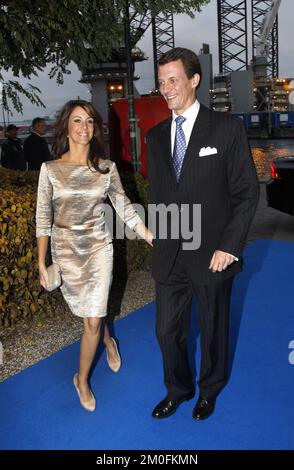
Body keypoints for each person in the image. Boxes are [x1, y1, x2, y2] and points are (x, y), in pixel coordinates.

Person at [146, 48, 259, 420]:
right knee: (166, 331)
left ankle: (209, 391)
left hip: (213, 252)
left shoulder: (227, 128)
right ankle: (177, 389)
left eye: (173, 79)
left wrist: (230, 246)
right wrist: (155, 233)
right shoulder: (156, 136)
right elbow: (160, 193)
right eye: (161, 82)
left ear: (194, 80)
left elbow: (246, 192)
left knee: (212, 330)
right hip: (170, 253)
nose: (166, 88)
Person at [36, 100, 153, 412]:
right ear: (66, 127)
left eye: (89, 121)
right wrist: (41, 261)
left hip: (99, 248)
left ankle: (82, 379)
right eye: (77, 121)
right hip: (66, 252)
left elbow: (124, 207)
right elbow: (42, 219)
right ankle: (107, 340)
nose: (84, 127)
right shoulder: (50, 170)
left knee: (93, 318)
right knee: (89, 315)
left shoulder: (106, 168)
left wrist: (148, 234)